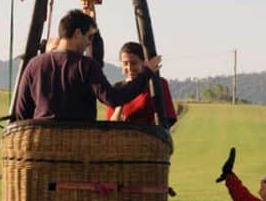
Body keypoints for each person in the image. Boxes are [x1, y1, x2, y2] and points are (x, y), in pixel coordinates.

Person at [12, 9, 162, 122]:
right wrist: (146, 73)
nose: (89, 42)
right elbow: (112, 98)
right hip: (79, 145)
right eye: (89, 37)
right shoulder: (86, 65)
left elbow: (21, 112)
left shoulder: (34, 64)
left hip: (41, 145)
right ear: (77, 33)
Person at [105, 41, 177, 126]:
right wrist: (120, 102)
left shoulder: (158, 84)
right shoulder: (116, 89)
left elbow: (167, 119)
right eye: (125, 63)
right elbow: (111, 126)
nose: (129, 67)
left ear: (143, 63)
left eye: (134, 63)